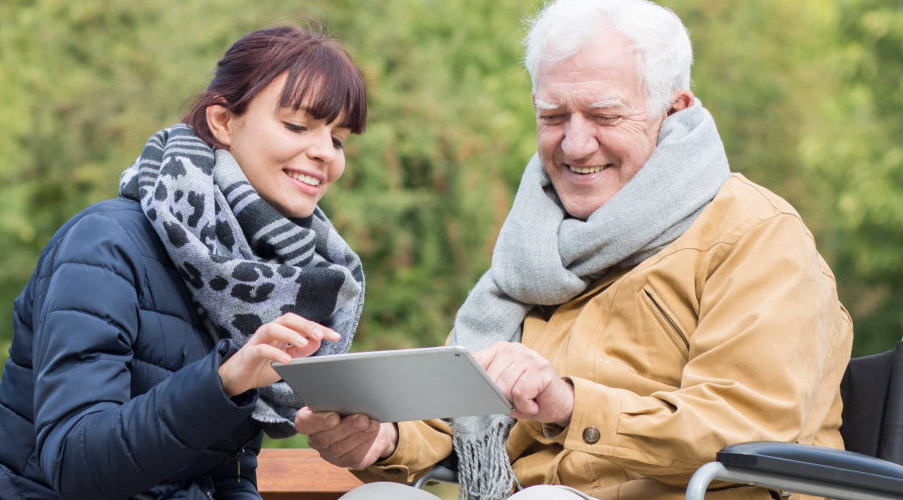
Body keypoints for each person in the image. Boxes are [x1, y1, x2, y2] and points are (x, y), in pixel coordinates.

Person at [293, 1, 852, 499]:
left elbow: (749, 425)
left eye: (605, 116)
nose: (576, 143)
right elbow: (457, 420)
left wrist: (569, 404)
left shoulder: (755, 232)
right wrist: (382, 439)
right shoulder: (533, 244)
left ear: (675, 110)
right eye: (553, 116)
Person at [0, 24, 369, 500]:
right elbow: (76, 463)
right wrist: (225, 382)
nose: (325, 152)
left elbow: (224, 477)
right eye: (298, 126)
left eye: (339, 138)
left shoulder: (251, 275)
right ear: (223, 122)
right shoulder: (105, 244)